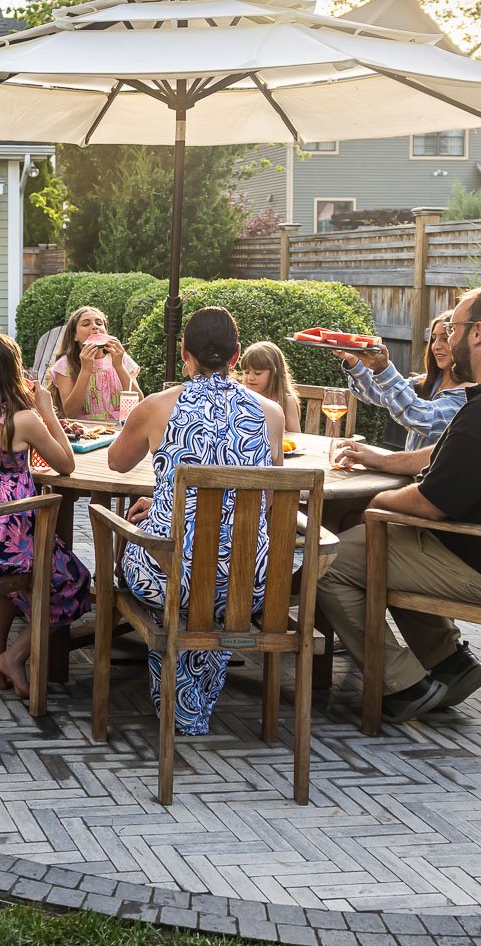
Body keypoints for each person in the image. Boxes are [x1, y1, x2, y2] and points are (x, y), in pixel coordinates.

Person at [314, 284, 481, 723]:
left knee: (327, 559)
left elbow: (429, 502)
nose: (446, 341)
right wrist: (385, 460)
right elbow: (452, 452)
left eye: (453, 329)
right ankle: (450, 662)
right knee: (382, 541)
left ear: (478, 333)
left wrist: (374, 502)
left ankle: (400, 684)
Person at [105, 306, 286, 735]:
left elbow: (116, 462)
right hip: (248, 581)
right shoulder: (271, 414)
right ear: (237, 354)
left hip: (171, 580)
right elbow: (269, 496)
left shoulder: (157, 407)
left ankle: (178, 699)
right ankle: (195, 692)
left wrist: (168, 497)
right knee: (214, 581)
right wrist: (171, 500)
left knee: (161, 566)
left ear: (184, 355)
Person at [0, 333, 92, 698]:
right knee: (75, 581)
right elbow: (66, 464)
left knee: (14, 571)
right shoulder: (23, 419)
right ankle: (16, 654)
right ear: (12, 372)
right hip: (7, 537)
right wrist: (47, 410)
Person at [330, 310, 469, 477]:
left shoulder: (467, 393)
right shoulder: (429, 383)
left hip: (436, 486)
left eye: (445, 339)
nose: (436, 346)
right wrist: (353, 359)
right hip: (408, 479)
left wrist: (384, 369)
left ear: (462, 344)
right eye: (433, 338)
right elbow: (378, 394)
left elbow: (423, 419)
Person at [46, 305, 141, 420]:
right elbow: (70, 413)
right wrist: (85, 370)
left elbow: (140, 402)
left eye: (99, 323)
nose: (95, 327)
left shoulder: (121, 358)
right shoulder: (65, 365)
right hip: (86, 432)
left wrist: (119, 366)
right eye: (86, 324)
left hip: (121, 429)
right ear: (75, 335)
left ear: (106, 332)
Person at [237, 341, 301, 431]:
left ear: (274, 373)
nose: (250, 378)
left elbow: (296, 436)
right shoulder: (241, 397)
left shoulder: (285, 401)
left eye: (257, 373)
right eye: (246, 372)